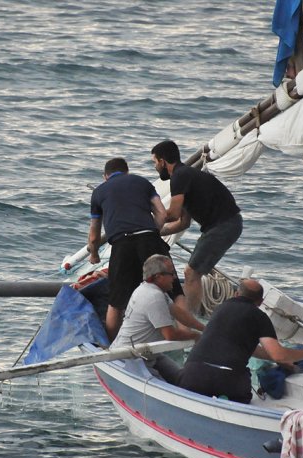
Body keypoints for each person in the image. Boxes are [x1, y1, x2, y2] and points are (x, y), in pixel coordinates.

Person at [88, 157, 203, 340]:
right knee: (175, 291)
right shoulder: (142, 182)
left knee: (116, 300)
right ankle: (186, 335)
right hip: (149, 238)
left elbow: (94, 236)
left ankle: (110, 345)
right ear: (127, 171)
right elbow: (162, 213)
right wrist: (153, 233)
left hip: (121, 244)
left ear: (105, 177)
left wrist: (94, 255)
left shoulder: (99, 192)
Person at [178, 279, 303, 403]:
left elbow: (251, 349)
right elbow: (278, 355)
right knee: (242, 396)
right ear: (261, 301)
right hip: (228, 378)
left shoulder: (220, 309)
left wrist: (280, 359)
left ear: (236, 294)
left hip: (192, 373)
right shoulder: (259, 317)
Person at [151, 140, 243, 315]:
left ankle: (190, 319)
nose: (155, 166)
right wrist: (157, 231)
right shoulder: (185, 176)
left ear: (162, 161)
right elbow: (182, 222)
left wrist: (148, 219)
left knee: (191, 273)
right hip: (225, 224)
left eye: (155, 162)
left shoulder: (179, 176)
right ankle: (190, 316)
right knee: (193, 273)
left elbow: (173, 214)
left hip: (224, 224)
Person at [110, 255, 202, 383]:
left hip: (149, 354)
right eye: (171, 273)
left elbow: (179, 313)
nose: (175, 277)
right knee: (170, 389)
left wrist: (205, 329)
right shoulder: (154, 297)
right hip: (131, 357)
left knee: (182, 380)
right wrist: (196, 336)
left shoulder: (154, 290)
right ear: (158, 276)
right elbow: (170, 334)